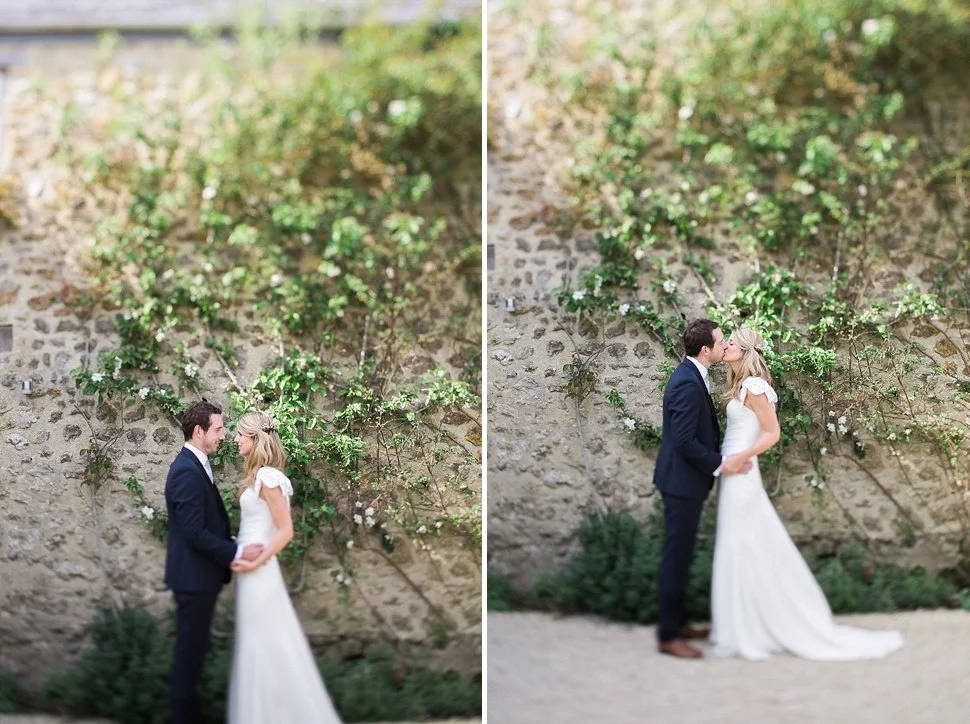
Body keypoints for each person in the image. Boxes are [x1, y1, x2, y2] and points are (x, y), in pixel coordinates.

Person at [709, 328, 903, 660]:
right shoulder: (738, 386)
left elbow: (772, 434)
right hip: (731, 471)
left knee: (741, 542)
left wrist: (740, 459)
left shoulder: (754, 387)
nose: (724, 345)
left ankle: (752, 627)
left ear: (743, 351)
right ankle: (742, 623)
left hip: (741, 471)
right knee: (737, 540)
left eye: (730, 343)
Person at [227, 410, 342, 724]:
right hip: (250, 570)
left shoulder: (269, 477)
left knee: (267, 644)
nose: (235, 439)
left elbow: (285, 530)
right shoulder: (256, 476)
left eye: (240, 434)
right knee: (255, 643)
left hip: (260, 573)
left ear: (255, 438)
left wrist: (257, 562)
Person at [652, 319, 751, 659]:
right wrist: (722, 463)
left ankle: (678, 623)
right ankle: (668, 635)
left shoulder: (694, 376)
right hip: (681, 483)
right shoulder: (686, 383)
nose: (725, 346)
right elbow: (683, 441)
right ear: (706, 349)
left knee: (682, 555)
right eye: (721, 342)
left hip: (687, 481)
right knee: (675, 557)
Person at [165, 400, 264, 724]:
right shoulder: (185, 470)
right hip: (193, 580)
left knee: (193, 656)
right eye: (218, 429)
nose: (223, 435)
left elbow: (203, 524)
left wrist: (231, 543)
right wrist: (234, 553)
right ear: (199, 431)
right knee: (188, 658)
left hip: (199, 578)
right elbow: (194, 532)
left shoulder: (196, 465)